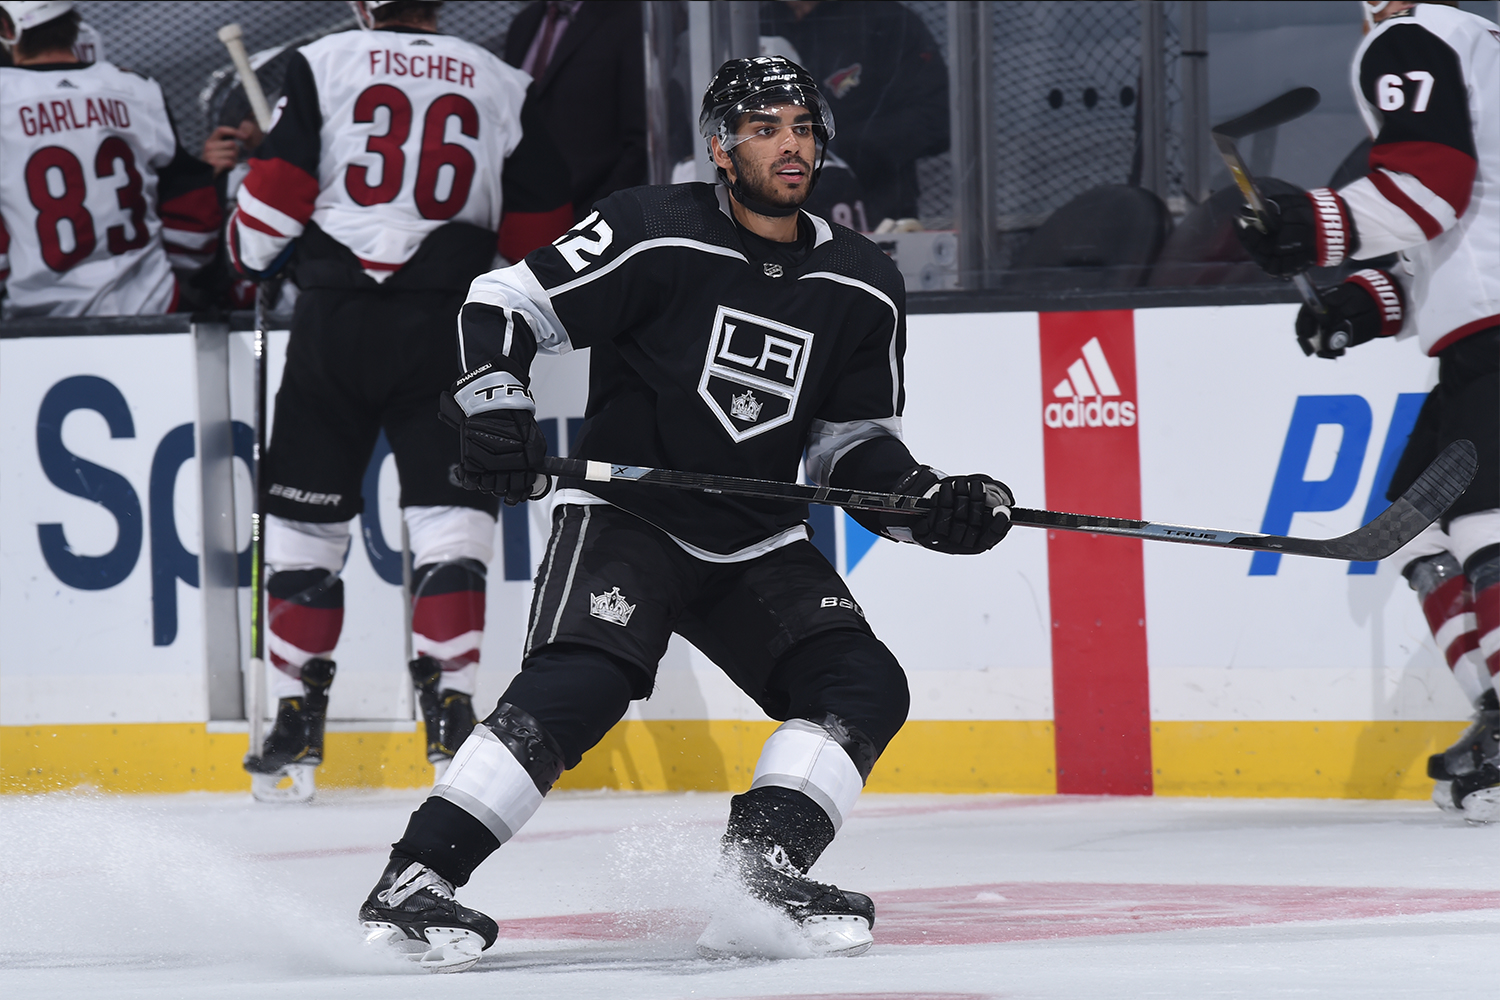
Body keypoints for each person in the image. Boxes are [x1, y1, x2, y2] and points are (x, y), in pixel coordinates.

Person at [354, 55, 1014, 973]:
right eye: (767, 128)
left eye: (804, 128)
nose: (792, 146)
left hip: (758, 537)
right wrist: (496, 398)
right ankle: (414, 881)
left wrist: (925, 506)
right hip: (631, 516)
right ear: (721, 146)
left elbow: (849, 448)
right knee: (578, 688)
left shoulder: (862, 279)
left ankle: (762, 871)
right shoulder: (651, 229)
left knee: (861, 687)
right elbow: (506, 299)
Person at [225, 0, 572, 801]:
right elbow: (539, 234)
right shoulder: (504, 81)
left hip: (334, 320)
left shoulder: (325, 59)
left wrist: (249, 249)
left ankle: (295, 715)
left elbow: (274, 198)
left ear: (362, 4)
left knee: (305, 523)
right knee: (451, 525)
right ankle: (451, 712)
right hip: (445, 322)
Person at [1235, 0, 1498, 822]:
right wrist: (1357, 302)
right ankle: (1495, 717)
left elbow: (1431, 188)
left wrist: (1309, 222)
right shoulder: (1474, 46)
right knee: (1413, 527)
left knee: (1485, 525)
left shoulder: (1414, 36)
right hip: (1474, 336)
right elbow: (1441, 241)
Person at [0, 0, 220, 318]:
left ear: (9, 29)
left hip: (34, 319)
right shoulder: (135, 88)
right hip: (151, 307)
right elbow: (193, 213)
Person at [759, 0, 948, 226]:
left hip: (876, 211)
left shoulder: (885, 20)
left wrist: (839, 149)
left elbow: (937, 118)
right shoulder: (748, 23)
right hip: (771, 216)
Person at [502, 1, 646, 221]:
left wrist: (595, 217)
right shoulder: (524, 23)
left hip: (591, 216)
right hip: (522, 217)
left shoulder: (629, 20)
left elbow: (642, 141)